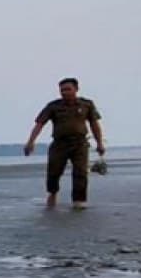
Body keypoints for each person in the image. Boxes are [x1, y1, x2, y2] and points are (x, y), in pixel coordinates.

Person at [24, 77, 106, 209]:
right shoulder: (53, 106)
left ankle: (79, 201)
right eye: (62, 90)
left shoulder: (87, 104)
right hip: (59, 144)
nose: (64, 92)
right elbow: (39, 124)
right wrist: (30, 142)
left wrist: (100, 143)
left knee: (81, 172)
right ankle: (52, 193)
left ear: (76, 89)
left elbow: (94, 124)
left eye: (68, 89)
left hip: (80, 143)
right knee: (53, 172)